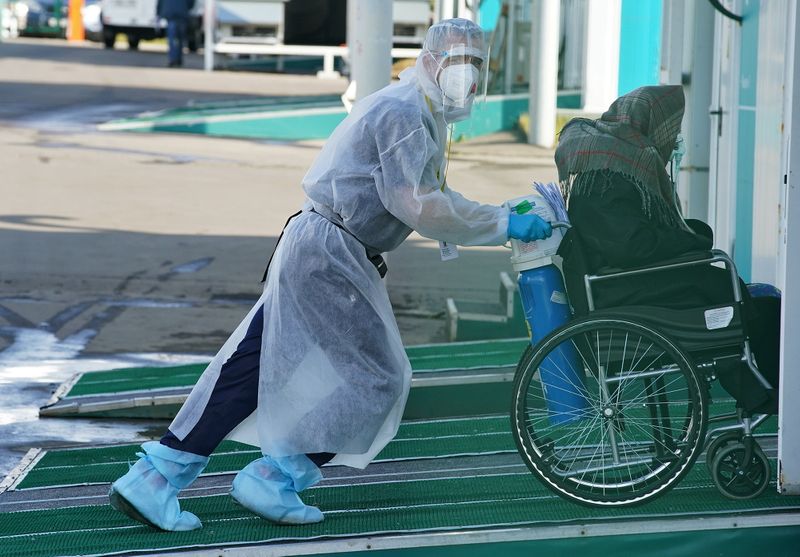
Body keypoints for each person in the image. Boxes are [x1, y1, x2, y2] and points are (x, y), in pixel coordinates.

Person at [108, 18, 552, 532]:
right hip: (331, 253)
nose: (467, 77)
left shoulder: (416, 110)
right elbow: (419, 205)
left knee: (254, 363)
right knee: (376, 375)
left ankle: (158, 475)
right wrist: (502, 221)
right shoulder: (405, 114)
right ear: (430, 60)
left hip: (323, 246)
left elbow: (428, 196)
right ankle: (274, 476)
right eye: (457, 62)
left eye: (475, 64)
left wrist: (495, 214)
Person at [554, 84, 781, 415]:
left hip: (619, 285)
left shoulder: (611, 161)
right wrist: (692, 239)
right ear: (653, 126)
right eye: (671, 130)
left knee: (761, 302)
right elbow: (633, 247)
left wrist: (690, 236)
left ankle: (759, 390)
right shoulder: (611, 172)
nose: (674, 140)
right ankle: (756, 391)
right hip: (620, 292)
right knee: (730, 290)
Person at [156, 0, 194, 67]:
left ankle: (173, 59)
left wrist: (159, 13)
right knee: (180, 39)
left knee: (172, 39)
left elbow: (160, 2)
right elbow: (191, 3)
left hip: (170, 14)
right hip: (182, 14)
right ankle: (178, 59)